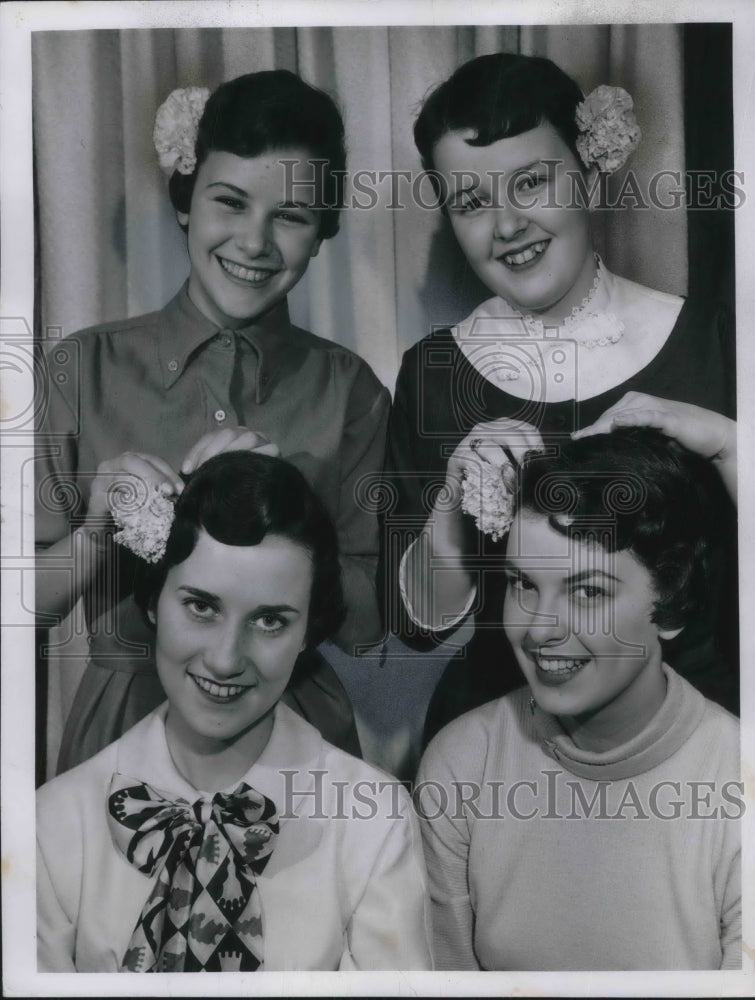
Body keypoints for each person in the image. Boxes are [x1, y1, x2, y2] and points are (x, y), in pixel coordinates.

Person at [36, 70, 390, 771]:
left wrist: (291, 513)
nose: (254, 242)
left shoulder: (350, 389)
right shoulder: (83, 368)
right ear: (186, 205)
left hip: (297, 735)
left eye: (289, 216)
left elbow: (365, 630)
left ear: (321, 234)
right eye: (230, 203)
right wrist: (96, 534)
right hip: (123, 733)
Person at [381, 53, 737, 742]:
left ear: (589, 175)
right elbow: (415, 628)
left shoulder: (712, 342)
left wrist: (728, 444)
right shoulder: (433, 373)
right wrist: (452, 501)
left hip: (695, 739)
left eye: (531, 183)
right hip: (502, 737)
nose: (506, 224)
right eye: (471, 202)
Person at [37, 452, 432, 972]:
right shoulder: (53, 823)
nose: (225, 659)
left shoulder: (374, 821)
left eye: (270, 621)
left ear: (309, 631)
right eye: (201, 606)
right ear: (154, 602)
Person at [416, 428, 741, 971]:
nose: (540, 628)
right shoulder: (460, 764)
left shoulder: (740, 779)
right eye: (522, 584)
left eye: (588, 592)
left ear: (674, 603)